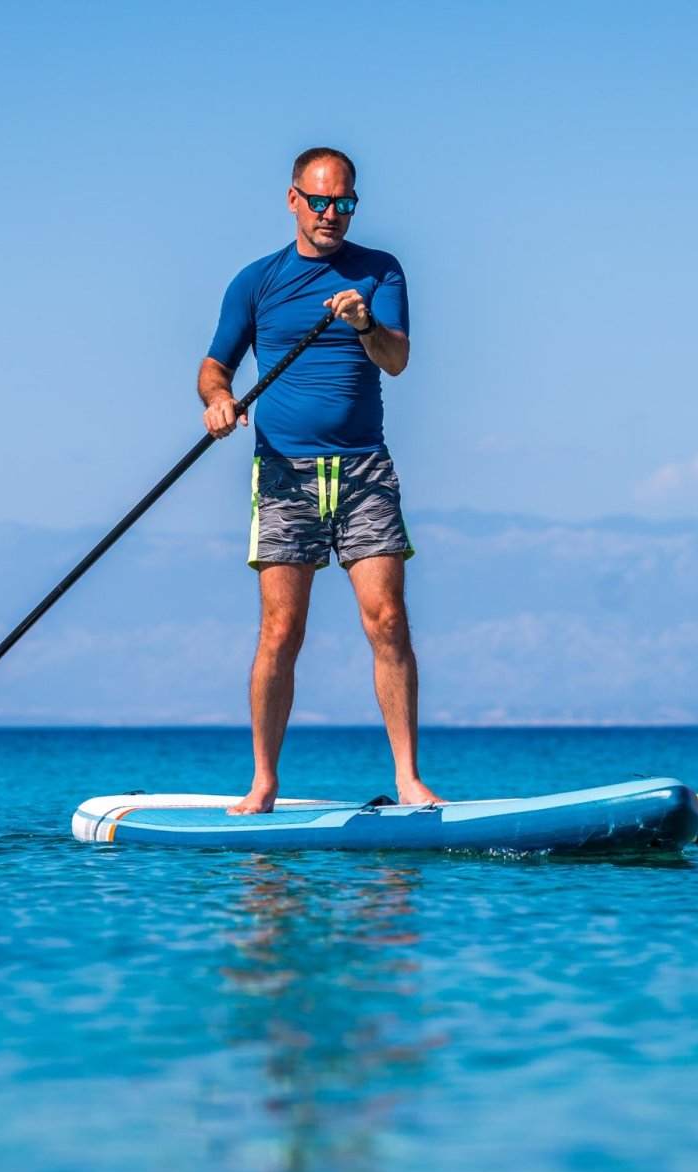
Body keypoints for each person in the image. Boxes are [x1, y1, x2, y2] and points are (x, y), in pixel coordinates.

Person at [198, 147, 441, 815]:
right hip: (282, 474)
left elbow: (396, 361)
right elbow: (214, 367)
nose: (333, 214)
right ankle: (264, 782)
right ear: (293, 200)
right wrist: (218, 401)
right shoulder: (256, 282)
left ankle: (409, 778)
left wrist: (364, 322)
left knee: (387, 619)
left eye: (345, 203)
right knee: (282, 630)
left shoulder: (379, 271)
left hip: (363, 468)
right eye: (321, 201)